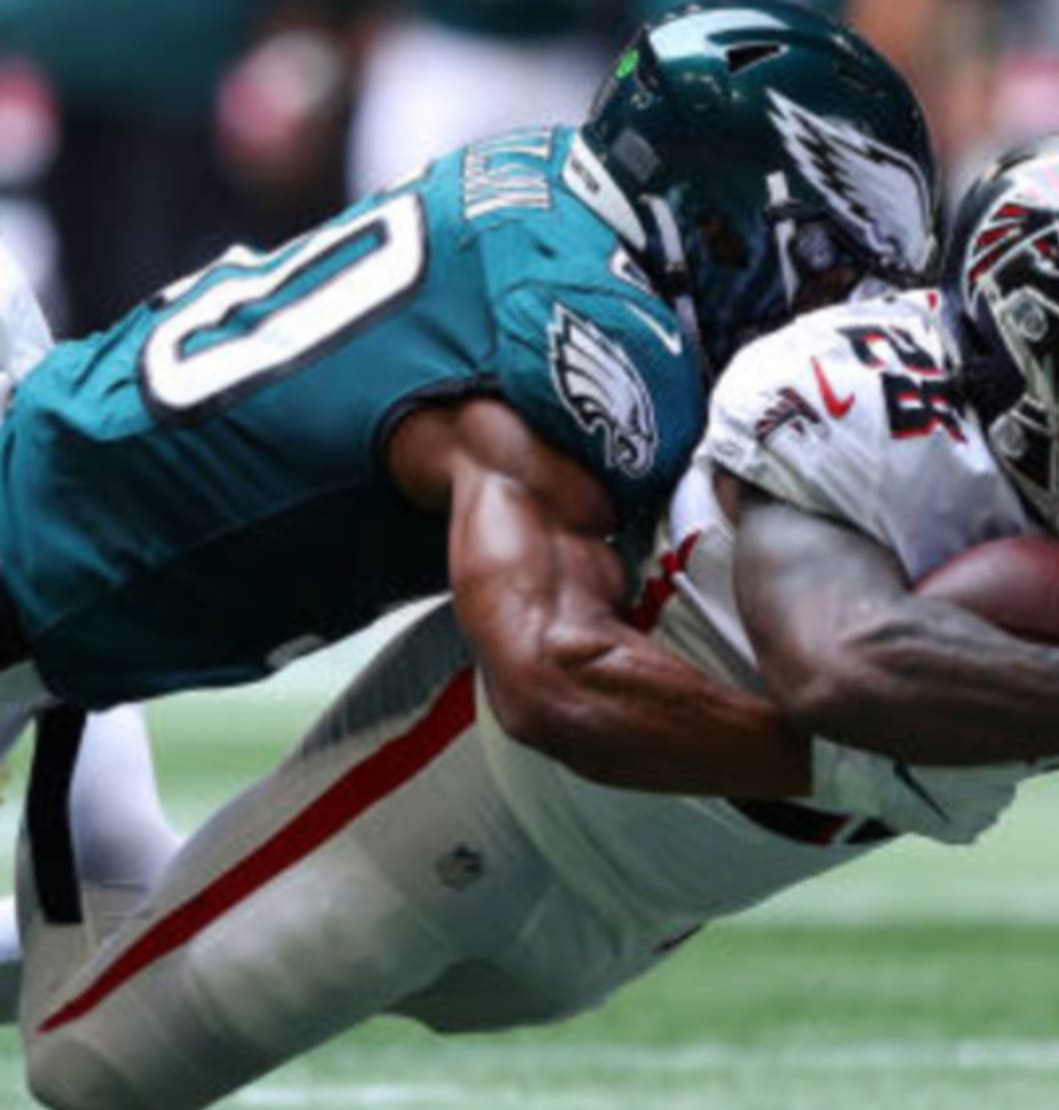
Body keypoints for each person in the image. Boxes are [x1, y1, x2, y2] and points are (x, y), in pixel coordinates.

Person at [12, 130, 1059, 1110]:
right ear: (1016, 342)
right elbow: (839, 668)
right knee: (98, 1068)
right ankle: (87, 687)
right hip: (497, 788)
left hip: (640, 911)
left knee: (418, 990)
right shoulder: (861, 399)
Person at [0, 2, 938, 807]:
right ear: (720, 219)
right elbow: (553, 678)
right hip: (32, 579)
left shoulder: (546, 179)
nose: (841, 309)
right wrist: (847, 768)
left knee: (107, 959)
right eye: (830, 261)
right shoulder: (583, 347)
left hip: (51, 516)